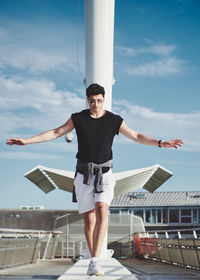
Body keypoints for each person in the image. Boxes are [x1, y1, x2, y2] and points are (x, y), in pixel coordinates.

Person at [6, 83, 183, 276]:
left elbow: (136, 136)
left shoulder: (114, 120)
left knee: (102, 210)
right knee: (89, 220)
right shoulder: (78, 118)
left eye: (99, 101)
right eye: (92, 101)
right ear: (87, 100)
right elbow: (56, 132)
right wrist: (27, 141)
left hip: (105, 173)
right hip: (83, 174)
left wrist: (160, 143)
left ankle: (96, 260)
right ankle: (93, 258)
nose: (95, 104)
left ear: (103, 99)